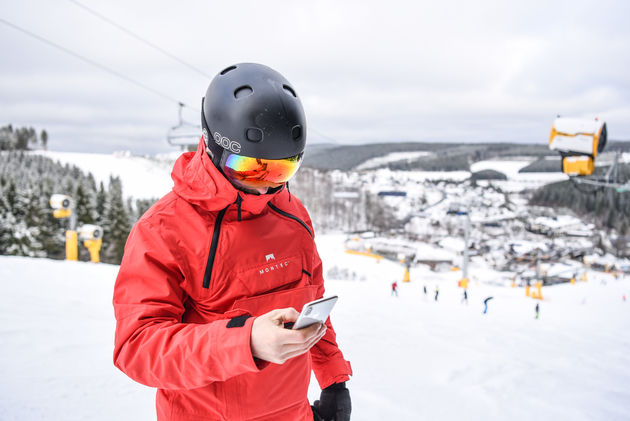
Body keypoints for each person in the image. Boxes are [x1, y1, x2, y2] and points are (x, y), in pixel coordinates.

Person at [113, 63, 352, 421]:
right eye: (250, 168)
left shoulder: (292, 215)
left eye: (281, 170)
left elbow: (312, 304)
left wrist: (333, 379)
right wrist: (246, 341)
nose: (265, 186)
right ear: (213, 146)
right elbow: (137, 348)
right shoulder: (163, 230)